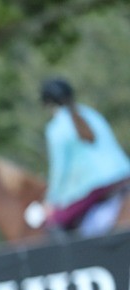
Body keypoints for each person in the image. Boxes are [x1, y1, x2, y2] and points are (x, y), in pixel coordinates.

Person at [40, 77, 130, 233]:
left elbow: (60, 170)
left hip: (97, 186)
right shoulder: (92, 114)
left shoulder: (55, 128)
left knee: (56, 223)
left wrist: (51, 201)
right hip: (124, 175)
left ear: (48, 104)